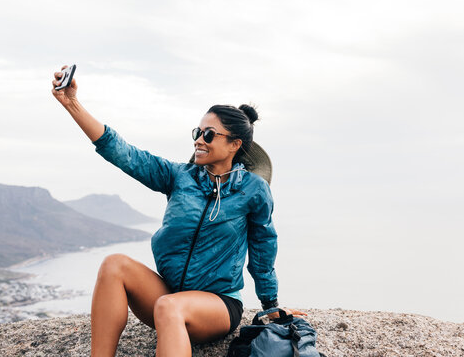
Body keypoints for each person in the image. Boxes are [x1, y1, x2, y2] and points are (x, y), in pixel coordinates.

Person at [51, 66, 306, 357]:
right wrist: (71, 103)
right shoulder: (179, 176)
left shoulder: (254, 190)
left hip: (217, 306)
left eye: (209, 134)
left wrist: (270, 305)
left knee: (169, 305)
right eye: (197, 132)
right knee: (114, 264)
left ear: (235, 144)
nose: (198, 139)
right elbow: (122, 152)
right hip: (167, 296)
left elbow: (263, 249)